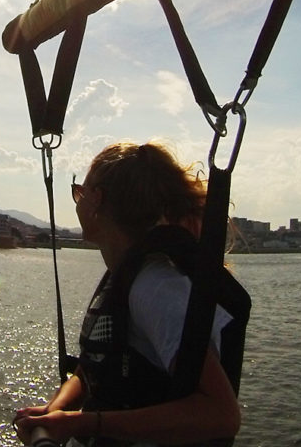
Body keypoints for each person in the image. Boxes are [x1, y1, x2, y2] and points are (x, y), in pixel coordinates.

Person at [14, 141, 245, 446]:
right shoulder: (125, 275)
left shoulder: (156, 289)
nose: (77, 201)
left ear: (96, 200)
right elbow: (96, 367)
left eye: (79, 192)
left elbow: (221, 415)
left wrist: (81, 423)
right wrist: (56, 407)